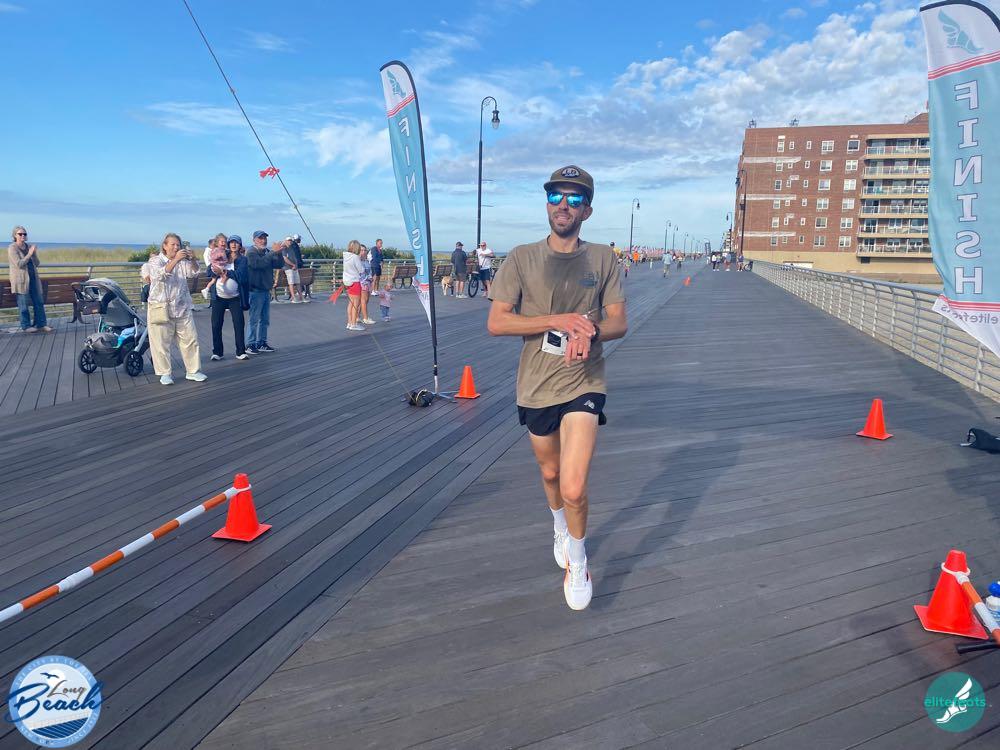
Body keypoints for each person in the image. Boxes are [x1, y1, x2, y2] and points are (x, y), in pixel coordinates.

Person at [487, 165, 627, 611]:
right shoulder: (521, 258)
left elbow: (619, 321)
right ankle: (559, 528)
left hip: (585, 379)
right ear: (547, 204)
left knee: (573, 485)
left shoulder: (602, 258)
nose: (563, 205)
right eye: (555, 196)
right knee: (550, 475)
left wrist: (593, 331)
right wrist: (559, 320)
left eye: (574, 198)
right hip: (536, 383)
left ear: (587, 210)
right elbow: (497, 322)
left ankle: (579, 561)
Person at [146, 233, 206, 384]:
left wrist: (193, 259)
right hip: (160, 307)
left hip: (182, 306)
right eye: (172, 244)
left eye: (178, 245)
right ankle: (165, 373)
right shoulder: (155, 260)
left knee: (190, 340)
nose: (176, 247)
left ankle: (193, 371)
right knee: (161, 343)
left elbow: (194, 273)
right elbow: (160, 275)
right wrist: (176, 259)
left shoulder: (182, 261)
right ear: (164, 246)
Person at [207, 235, 250, 361]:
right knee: (216, 324)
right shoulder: (221, 254)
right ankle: (217, 352)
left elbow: (241, 276)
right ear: (228, 244)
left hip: (235, 297)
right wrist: (214, 270)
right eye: (231, 242)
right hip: (218, 297)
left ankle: (240, 351)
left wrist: (225, 272)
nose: (234, 245)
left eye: (236, 243)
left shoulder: (243, 260)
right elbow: (209, 271)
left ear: (240, 245)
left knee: (239, 323)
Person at [7, 226, 52, 333]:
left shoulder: (28, 247)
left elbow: (37, 263)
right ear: (15, 235)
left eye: (25, 234)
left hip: (33, 279)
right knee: (23, 305)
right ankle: (26, 326)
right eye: (20, 234)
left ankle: (41, 324)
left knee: (39, 302)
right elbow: (19, 264)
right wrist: (29, 254)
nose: (23, 236)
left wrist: (34, 254)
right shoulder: (12, 248)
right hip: (21, 281)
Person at [245, 230, 284, 352]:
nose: (263, 240)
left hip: (266, 290)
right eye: (260, 238)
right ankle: (250, 344)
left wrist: (279, 253)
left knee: (265, 320)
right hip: (255, 291)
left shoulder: (267, 252)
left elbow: (279, 265)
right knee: (254, 319)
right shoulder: (251, 252)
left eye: (265, 238)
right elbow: (258, 264)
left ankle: (262, 342)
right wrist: (272, 252)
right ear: (254, 240)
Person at [342, 239, 365, 330]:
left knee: (350, 303)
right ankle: (354, 324)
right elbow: (361, 270)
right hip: (355, 282)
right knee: (355, 304)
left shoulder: (346, 256)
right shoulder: (355, 257)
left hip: (347, 282)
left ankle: (349, 322)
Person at [282, 235, 304, 303]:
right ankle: (293, 298)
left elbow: (295, 258)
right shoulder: (284, 248)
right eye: (288, 240)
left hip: (294, 268)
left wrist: (295, 265)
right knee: (291, 283)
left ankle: (301, 297)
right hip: (288, 268)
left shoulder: (292, 248)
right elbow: (285, 259)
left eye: (290, 240)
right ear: (285, 241)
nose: (290, 242)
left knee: (297, 282)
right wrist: (293, 265)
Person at [359, 244, 375, 324]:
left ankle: (357, 316)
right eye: (361, 250)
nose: (364, 252)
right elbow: (359, 274)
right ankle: (365, 318)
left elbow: (369, 272)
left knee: (366, 300)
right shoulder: (358, 262)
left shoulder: (366, 261)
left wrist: (371, 278)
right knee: (363, 300)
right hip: (362, 283)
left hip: (368, 282)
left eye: (365, 250)